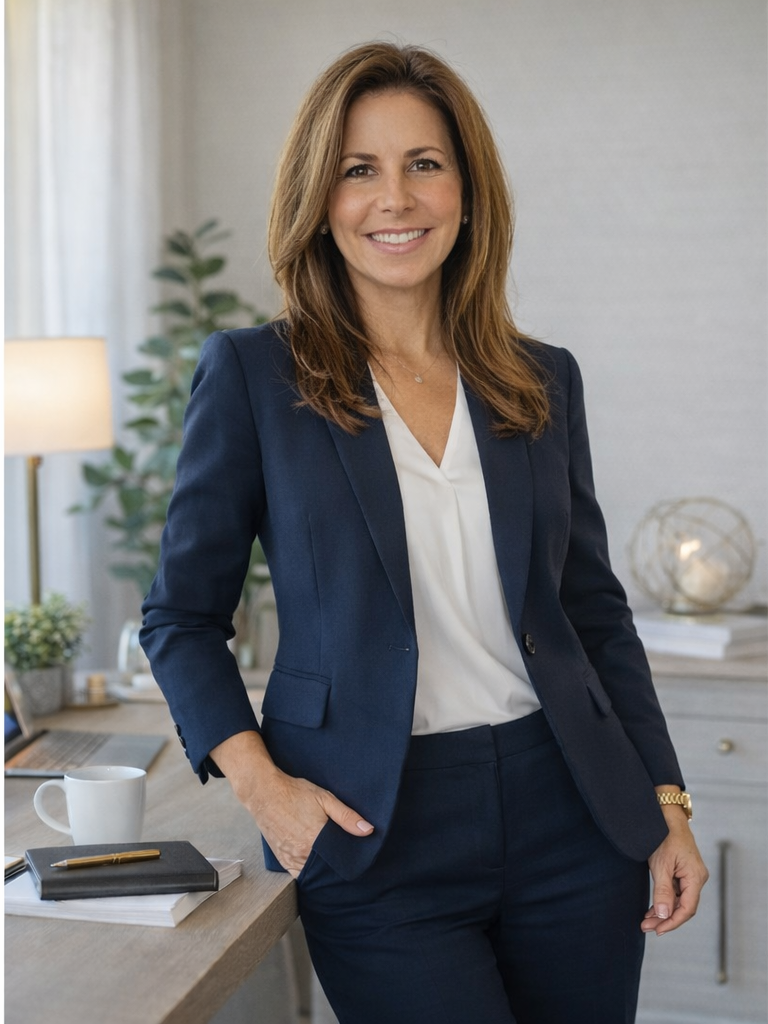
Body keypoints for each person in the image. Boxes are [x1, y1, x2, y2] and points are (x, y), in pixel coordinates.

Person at [140, 41, 708, 1024]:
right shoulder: (254, 376)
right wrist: (265, 789)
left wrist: (664, 799)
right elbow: (181, 617)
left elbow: (591, 611)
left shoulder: (540, 378)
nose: (393, 198)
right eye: (360, 169)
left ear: (467, 191)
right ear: (321, 199)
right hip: (375, 824)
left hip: (570, 805)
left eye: (424, 164)